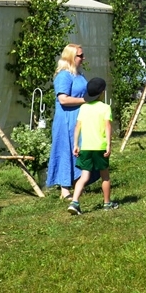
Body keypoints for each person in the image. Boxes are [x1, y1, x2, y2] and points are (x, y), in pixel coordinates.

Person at [67, 78, 117, 214]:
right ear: (102, 92)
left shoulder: (84, 108)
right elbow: (107, 127)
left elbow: (78, 126)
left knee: (84, 177)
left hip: (86, 147)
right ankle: (107, 203)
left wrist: (76, 144)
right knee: (105, 176)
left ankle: (74, 202)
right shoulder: (105, 108)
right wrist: (108, 145)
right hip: (100, 147)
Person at [46, 44, 89, 199]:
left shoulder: (79, 74)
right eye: (80, 56)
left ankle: (79, 182)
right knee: (66, 150)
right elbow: (63, 99)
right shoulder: (64, 76)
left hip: (79, 116)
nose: (83, 58)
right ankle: (65, 189)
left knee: (81, 148)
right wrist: (84, 100)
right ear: (71, 57)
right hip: (66, 119)